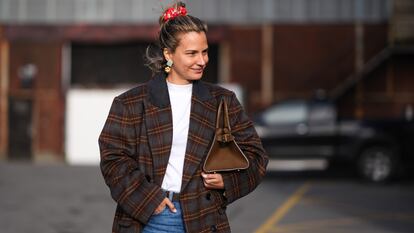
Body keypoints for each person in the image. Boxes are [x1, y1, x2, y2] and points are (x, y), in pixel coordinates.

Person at [98, 2, 268, 233]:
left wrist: (228, 181)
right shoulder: (130, 103)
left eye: (205, 51)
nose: (202, 60)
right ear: (168, 54)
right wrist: (150, 201)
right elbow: (114, 160)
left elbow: (256, 157)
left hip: (204, 218)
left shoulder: (223, 101)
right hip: (148, 219)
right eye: (191, 53)